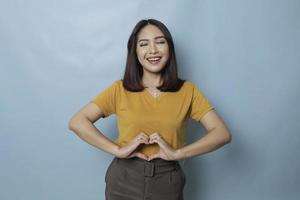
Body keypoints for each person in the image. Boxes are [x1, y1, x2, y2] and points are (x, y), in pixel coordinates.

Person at [68, 18, 232, 200]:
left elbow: (222, 133)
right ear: (135, 51)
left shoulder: (188, 91)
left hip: (167, 179)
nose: (153, 50)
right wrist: (117, 150)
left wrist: (178, 153)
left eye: (160, 42)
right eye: (144, 44)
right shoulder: (119, 89)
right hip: (123, 178)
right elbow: (77, 122)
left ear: (169, 48)